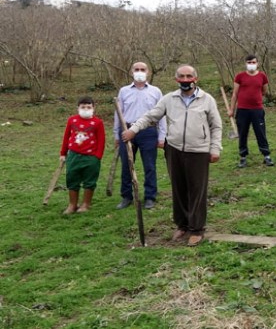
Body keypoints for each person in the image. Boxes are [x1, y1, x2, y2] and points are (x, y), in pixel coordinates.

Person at [122, 64, 222, 246]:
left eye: (189, 76)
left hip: (198, 151)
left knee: (197, 190)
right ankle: (182, 224)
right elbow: (150, 116)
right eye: (181, 77)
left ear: (195, 78)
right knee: (179, 188)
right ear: (176, 80)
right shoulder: (169, 99)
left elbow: (216, 125)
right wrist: (133, 130)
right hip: (174, 149)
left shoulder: (207, 100)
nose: (185, 80)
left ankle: (197, 228)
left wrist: (215, 149)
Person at [114, 62, 166, 210]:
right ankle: (126, 196)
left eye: (142, 69)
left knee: (149, 165)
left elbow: (162, 115)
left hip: (148, 132)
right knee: (127, 165)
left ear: (148, 72)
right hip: (127, 130)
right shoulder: (124, 91)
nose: (139, 72)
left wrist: (162, 136)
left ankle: (150, 197)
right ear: (131, 72)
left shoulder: (156, 91)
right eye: (136, 69)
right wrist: (117, 135)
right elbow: (118, 113)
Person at [60, 96, 106, 214]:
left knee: (89, 180)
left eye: (88, 107)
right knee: (72, 178)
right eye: (83, 107)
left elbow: (101, 141)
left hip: (91, 157)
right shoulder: (72, 120)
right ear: (78, 108)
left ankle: (86, 204)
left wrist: (97, 157)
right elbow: (66, 137)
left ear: (93, 108)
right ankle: (72, 204)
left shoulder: (97, 122)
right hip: (74, 156)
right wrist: (63, 153)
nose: (86, 109)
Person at [229, 55, 274, 168]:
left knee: (260, 132)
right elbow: (235, 94)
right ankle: (243, 157)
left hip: (257, 110)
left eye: (253, 62)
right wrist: (231, 109)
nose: (251, 64)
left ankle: (266, 156)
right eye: (249, 62)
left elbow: (264, 91)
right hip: (242, 110)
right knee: (243, 133)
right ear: (246, 63)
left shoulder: (262, 76)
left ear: (257, 63)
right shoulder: (240, 76)